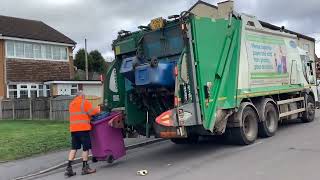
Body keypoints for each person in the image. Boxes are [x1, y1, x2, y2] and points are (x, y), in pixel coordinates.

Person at [65, 91, 101, 177]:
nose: (85, 97)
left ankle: (69, 168)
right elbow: (92, 112)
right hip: (83, 129)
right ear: (82, 96)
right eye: (84, 96)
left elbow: (79, 114)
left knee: (74, 148)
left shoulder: (71, 104)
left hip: (74, 130)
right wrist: (99, 109)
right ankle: (85, 168)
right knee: (86, 148)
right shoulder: (84, 102)